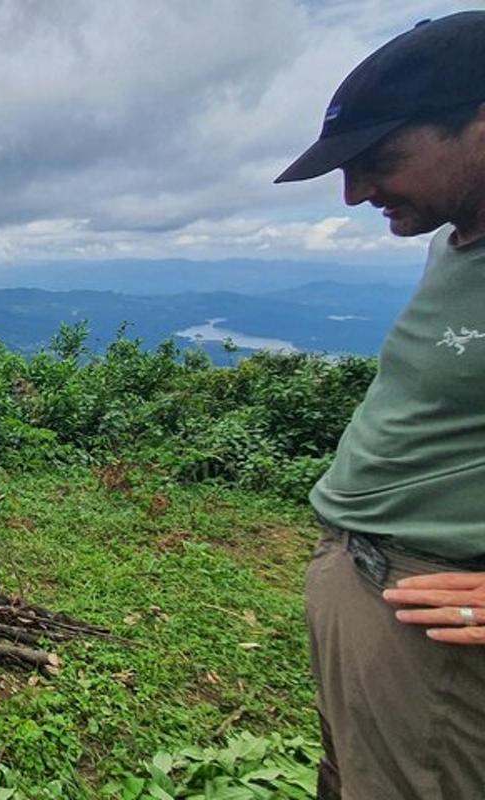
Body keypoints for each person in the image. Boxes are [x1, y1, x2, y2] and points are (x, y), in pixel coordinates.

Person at [275, 11, 485, 800]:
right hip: (361, 584)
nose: (355, 192)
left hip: (434, 622)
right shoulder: (454, 235)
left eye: (382, 160)